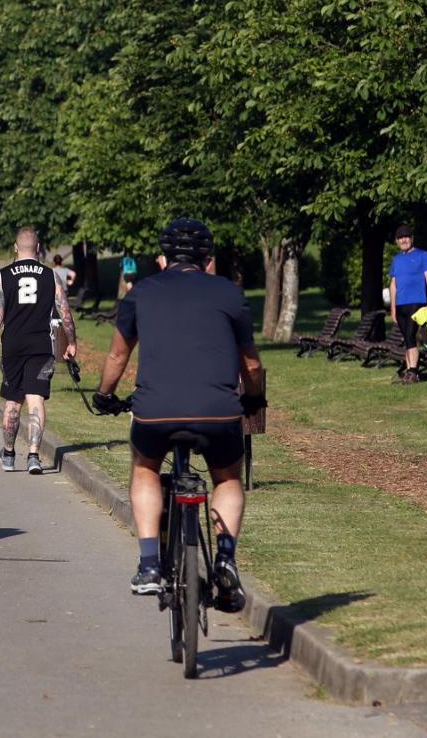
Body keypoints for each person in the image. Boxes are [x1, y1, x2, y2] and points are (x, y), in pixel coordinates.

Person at [90, 218, 264, 614]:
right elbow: (250, 365)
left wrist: (105, 395)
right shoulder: (230, 293)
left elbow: (118, 355)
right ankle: (224, 558)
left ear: (162, 257)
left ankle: (150, 564)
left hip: (155, 413)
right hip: (217, 414)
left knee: (145, 468)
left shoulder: (142, 293)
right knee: (227, 477)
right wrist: (253, 401)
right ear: (208, 260)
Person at [0, 227, 76, 475]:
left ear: (15, 247)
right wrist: (72, 342)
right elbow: (64, 312)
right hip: (41, 347)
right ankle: (33, 455)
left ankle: (9, 455)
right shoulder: (51, 275)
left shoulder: (2, 275)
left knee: (13, 401)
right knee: (36, 400)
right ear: (39, 247)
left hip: (13, 346)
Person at [389, 224, 427, 383]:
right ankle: (409, 370)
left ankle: (413, 372)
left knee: (410, 336)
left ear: (412, 238)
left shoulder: (423, 255)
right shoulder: (396, 259)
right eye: (401, 237)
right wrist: (393, 309)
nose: (404, 240)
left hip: (416, 302)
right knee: (407, 338)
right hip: (400, 304)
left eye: (406, 236)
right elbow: (393, 285)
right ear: (397, 241)